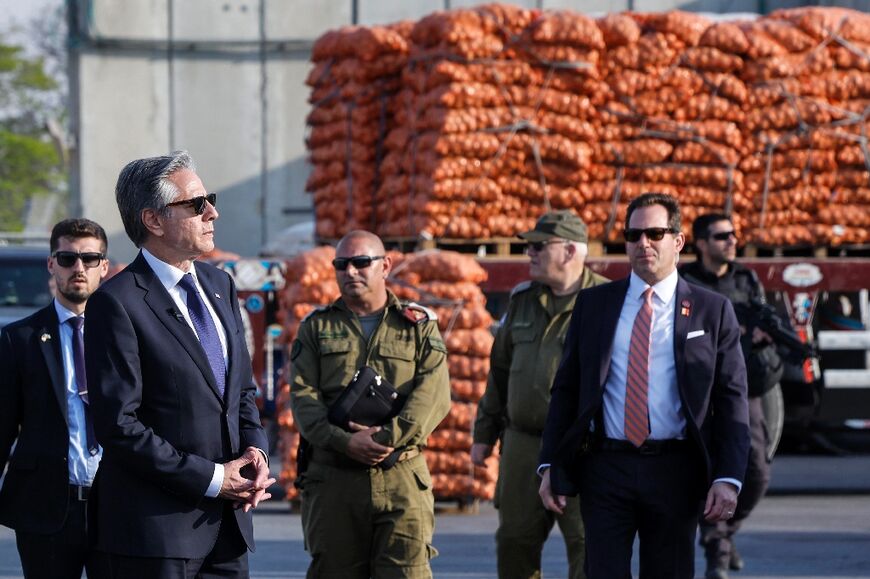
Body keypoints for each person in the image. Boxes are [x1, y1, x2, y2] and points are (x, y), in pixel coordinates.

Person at [538, 192, 751, 579]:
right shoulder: (595, 305)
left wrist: (728, 477)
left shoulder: (711, 310)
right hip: (606, 468)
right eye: (633, 235)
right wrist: (550, 462)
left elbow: (732, 399)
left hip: (676, 470)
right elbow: (566, 390)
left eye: (655, 233)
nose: (643, 244)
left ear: (678, 241)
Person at [84, 151, 274, 578]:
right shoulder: (116, 304)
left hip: (227, 532)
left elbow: (240, 391)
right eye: (196, 204)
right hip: (154, 539)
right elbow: (119, 426)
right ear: (153, 220)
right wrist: (211, 478)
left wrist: (255, 452)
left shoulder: (219, 284)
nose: (213, 212)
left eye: (210, 199)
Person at [289, 230, 451, 578]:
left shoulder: (417, 326)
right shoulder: (316, 328)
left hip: (401, 478)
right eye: (341, 264)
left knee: (406, 572)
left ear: (385, 266)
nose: (351, 272)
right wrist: (345, 441)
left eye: (361, 263)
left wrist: (384, 439)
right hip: (334, 479)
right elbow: (303, 399)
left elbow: (433, 396)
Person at [471, 211, 607, 579]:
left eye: (537, 246)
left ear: (568, 251)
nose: (528, 253)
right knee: (515, 542)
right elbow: (499, 372)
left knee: (589, 546)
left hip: (586, 449)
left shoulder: (607, 301)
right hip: (523, 445)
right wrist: (483, 436)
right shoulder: (522, 300)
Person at [0, 218, 109, 579]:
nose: (79, 268)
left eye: (90, 259)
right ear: (52, 265)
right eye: (67, 258)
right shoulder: (20, 339)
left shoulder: (125, 338)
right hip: (44, 510)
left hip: (115, 507)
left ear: (103, 267)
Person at [680, 213, 782, 579]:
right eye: (722, 235)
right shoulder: (686, 281)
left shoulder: (745, 278)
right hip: (695, 390)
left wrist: (761, 335)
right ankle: (717, 550)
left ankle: (720, 531)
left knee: (756, 472)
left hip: (741, 387)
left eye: (734, 234)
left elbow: (765, 317)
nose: (732, 241)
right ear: (702, 243)